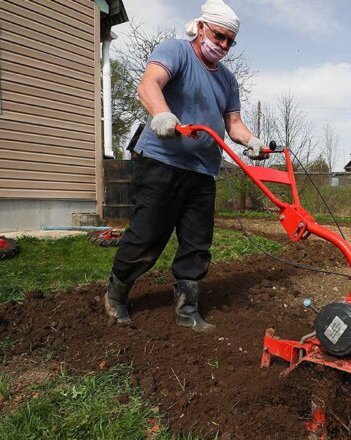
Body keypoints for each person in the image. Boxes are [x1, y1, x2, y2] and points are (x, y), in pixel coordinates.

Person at [103, 0, 265, 332]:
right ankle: (116, 293)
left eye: (228, 41)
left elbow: (233, 124)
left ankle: (187, 309)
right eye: (218, 36)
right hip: (163, 163)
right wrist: (161, 114)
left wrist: (252, 142)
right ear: (202, 26)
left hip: (203, 172)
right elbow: (149, 85)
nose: (222, 45)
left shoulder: (228, 81)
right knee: (147, 236)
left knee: (196, 243)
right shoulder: (175, 51)